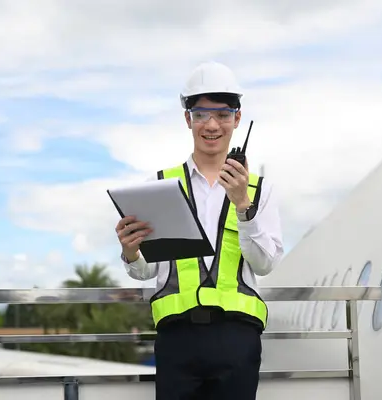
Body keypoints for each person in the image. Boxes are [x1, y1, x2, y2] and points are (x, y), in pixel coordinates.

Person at [115, 61, 284, 400]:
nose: (211, 125)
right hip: (177, 338)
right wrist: (131, 251)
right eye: (201, 113)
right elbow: (147, 269)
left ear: (237, 119)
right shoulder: (160, 185)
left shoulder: (258, 189)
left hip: (238, 336)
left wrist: (242, 206)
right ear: (187, 118)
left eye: (222, 114)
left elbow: (266, 264)